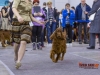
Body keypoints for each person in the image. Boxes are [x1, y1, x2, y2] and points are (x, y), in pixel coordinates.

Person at [12, 0, 44, 69]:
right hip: (17, 22)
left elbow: (30, 15)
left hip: (27, 24)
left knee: (23, 41)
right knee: (17, 43)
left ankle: (18, 61)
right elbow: (14, 8)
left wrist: (38, 21)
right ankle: (16, 54)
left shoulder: (30, 2)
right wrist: (18, 16)